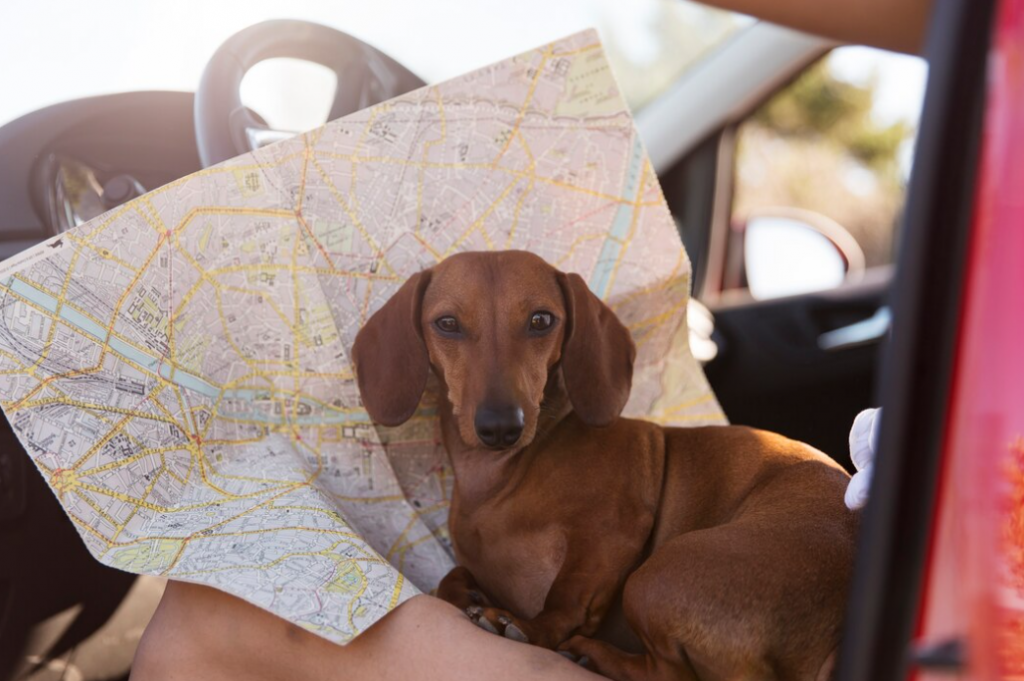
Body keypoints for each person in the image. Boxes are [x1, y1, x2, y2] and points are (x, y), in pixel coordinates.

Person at [130, 2, 932, 678]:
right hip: (795, 601)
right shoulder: (475, 493)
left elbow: (618, 531)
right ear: (414, 342)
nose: (496, 382)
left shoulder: (604, 448)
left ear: (571, 339)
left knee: (203, 610)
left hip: (789, 585)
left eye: (535, 326)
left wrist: (554, 636)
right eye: (453, 330)